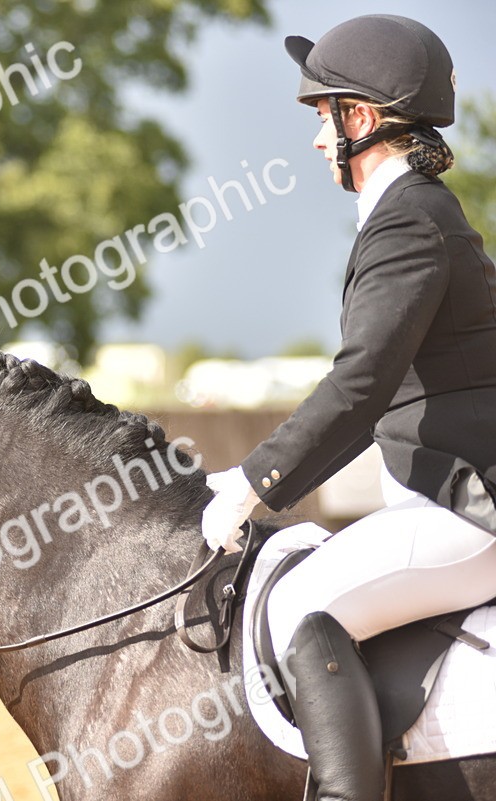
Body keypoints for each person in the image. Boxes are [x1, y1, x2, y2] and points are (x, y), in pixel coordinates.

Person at [201, 14, 496, 801]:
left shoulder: (408, 221)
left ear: (359, 119)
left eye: (321, 118)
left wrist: (254, 484)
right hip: (448, 495)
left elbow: (361, 383)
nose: (316, 141)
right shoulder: (415, 214)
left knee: (298, 610)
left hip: (468, 506)